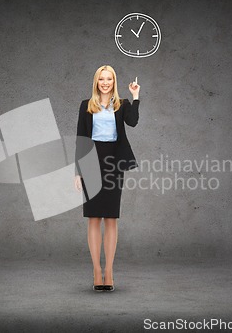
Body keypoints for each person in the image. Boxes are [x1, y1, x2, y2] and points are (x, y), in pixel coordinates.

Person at [74, 65, 140, 292]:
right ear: (96, 81)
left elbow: (132, 122)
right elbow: (81, 138)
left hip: (113, 162)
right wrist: (77, 171)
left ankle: (109, 271)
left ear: (114, 81)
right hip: (91, 161)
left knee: (111, 218)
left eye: (109, 79)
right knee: (93, 217)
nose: (105, 82)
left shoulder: (122, 104)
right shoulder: (86, 105)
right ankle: (96, 270)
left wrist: (135, 96)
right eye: (101, 79)